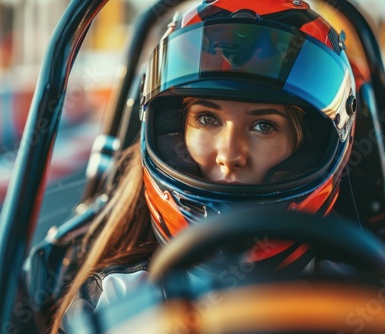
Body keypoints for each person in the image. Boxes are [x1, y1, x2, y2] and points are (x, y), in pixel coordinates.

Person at [50, 0, 359, 332]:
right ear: (175, 135)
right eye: (208, 119)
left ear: (308, 148)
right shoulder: (114, 300)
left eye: (264, 126)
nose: (229, 154)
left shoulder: (371, 301)